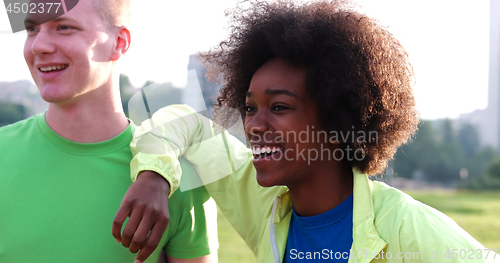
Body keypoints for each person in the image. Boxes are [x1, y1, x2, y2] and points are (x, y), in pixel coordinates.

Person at [129, 0, 500, 262]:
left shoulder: (405, 225)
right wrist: (154, 174)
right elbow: (188, 122)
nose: (254, 125)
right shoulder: (264, 207)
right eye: (249, 108)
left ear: (339, 121)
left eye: (280, 107)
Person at [0, 0, 217, 262]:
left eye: (64, 27)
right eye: (32, 29)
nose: (39, 46)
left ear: (119, 42)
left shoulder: (176, 176)